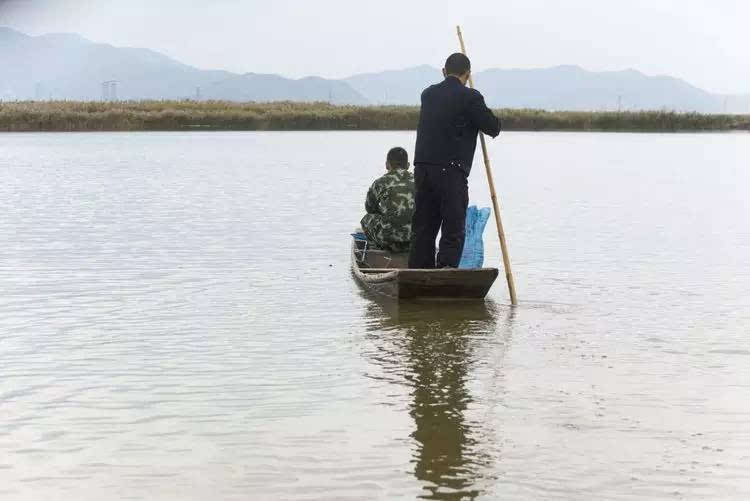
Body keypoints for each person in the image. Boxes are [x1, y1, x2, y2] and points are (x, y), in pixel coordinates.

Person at [409, 53, 501, 269]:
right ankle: (446, 271)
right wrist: (477, 101)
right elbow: (493, 127)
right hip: (450, 171)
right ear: (467, 75)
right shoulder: (470, 97)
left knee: (424, 226)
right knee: (453, 227)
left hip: (422, 169)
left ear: (443, 72)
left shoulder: (428, 94)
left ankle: (418, 272)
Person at [360, 147, 415, 253]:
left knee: (366, 219)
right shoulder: (419, 180)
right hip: (415, 238)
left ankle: (377, 249)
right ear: (408, 165)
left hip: (388, 239)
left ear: (387, 165)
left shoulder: (380, 182)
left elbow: (370, 208)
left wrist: (385, 211)